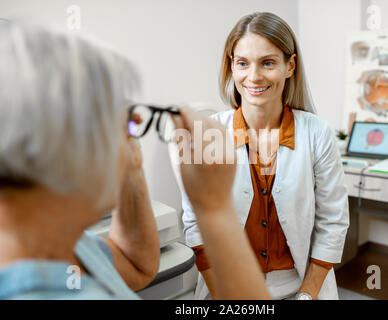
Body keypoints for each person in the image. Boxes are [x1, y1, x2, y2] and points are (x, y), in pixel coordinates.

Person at [0, 22, 270, 300]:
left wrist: (132, 165)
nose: (133, 130)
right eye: (116, 121)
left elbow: (135, 263)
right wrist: (215, 208)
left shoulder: (57, 242)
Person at [181, 12, 350, 300]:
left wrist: (308, 294)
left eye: (268, 62)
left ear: (290, 66)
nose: (254, 76)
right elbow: (197, 225)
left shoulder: (317, 133)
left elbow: (332, 222)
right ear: (232, 67)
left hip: (301, 285)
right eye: (243, 63)